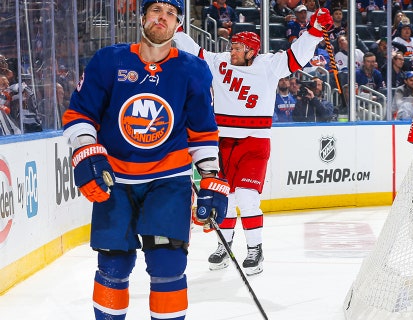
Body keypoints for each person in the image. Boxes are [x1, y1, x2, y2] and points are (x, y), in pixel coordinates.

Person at [61, 1, 228, 319]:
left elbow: (203, 132)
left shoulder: (193, 70)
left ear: (178, 25)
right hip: (117, 179)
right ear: (142, 18)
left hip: (169, 180)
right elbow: (80, 114)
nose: (161, 18)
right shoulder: (109, 61)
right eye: (156, 10)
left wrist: (210, 177)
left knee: (168, 265)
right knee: (113, 265)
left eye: (170, 13)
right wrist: (84, 150)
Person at [174, 7, 334, 275]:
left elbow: (297, 56)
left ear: (251, 52)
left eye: (238, 48)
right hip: (222, 141)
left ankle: (254, 250)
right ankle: (224, 246)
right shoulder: (220, 61)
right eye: (232, 46)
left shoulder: (268, 65)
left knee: (247, 198)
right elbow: (192, 50)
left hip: (254, 142)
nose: (232, 51)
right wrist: (174, 28)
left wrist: (315, 31)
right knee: (223, 195)